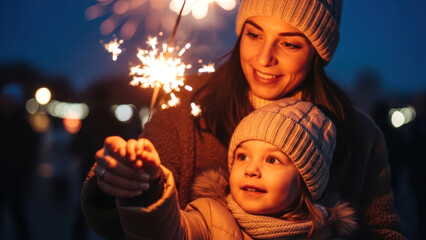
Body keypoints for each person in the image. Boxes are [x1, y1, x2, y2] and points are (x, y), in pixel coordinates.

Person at [82, 0, 405, 239]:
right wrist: (123, 181)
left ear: (318, 51)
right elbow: (131, 226)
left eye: (289, 43)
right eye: (254, 35)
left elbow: (382, 231)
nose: (264, 58)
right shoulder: (188, 109)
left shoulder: (358, 135)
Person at [114, 98, 358, 239]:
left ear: (306, 180)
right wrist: (145, 190)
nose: (251, 169)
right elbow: (165, 232)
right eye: (242, 156)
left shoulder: (325, 233)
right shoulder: (209, 218)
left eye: (272, 160)